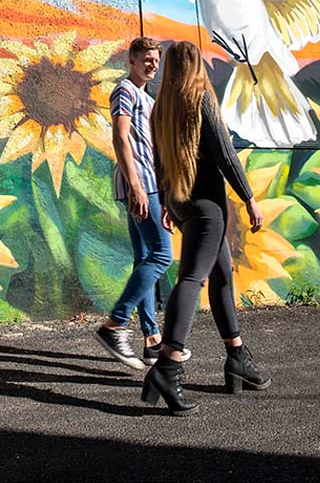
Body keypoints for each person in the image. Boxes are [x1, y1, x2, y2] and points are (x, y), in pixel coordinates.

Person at [142, 40, 271, 415]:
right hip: (206, 208)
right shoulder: (201, 99)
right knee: (192, 280)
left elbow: (157, 158)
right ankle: (168, 365)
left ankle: (237, 358)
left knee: (222, 276)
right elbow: (225, 153)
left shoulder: (160, 107)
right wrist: (248, 197)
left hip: (182, 204)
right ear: (197, 66)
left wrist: (167, 201)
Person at [94, 36, 191, 369]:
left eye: (155, 60)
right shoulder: (125, 91)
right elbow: (119, 137)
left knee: (145, 259)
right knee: (162, 256)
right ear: (131, 61)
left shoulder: (147, 99)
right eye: (146, 59)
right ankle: (115, 324)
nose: (152, 64)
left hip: (150, 186)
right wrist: (136, 185)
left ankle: (152, 341)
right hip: (140, 185)